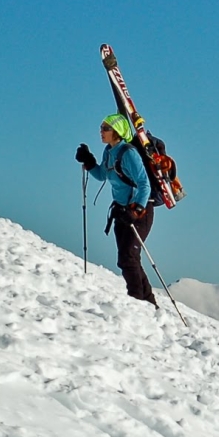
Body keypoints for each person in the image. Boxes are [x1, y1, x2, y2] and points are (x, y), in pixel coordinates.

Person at [77, 114, 158, 307]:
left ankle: (138, 302)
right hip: (121, 212)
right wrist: (89, 161)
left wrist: (136, 209)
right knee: (127, 258)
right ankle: (149, 304)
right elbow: (102, 175)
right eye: (101, 127)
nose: (101, 131)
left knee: (128, 257)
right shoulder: (109, 151)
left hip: (139, 212)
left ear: (117, 132)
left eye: (105, 128)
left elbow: (144, 184)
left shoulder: (129, 153)